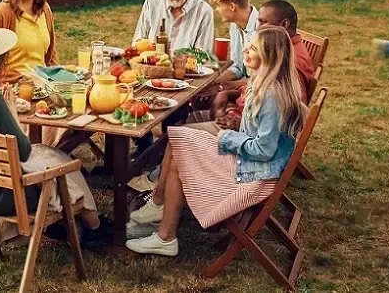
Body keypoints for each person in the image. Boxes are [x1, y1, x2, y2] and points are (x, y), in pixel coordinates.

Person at [125, 27, 307, 256]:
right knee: (179, 138)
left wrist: (228, 136)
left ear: (269, 57)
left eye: (253, 49)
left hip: (253, 172)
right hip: (248, 158)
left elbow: (263, 149)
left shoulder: (271, 96)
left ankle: (165, 235)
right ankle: (162, 218)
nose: (246, 51)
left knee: (181, 156)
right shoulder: (266, 84)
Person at [0, 19, 109, 247]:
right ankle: (94, 226)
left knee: (50, 155)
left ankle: (74, 225)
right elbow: (23, 152)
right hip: (5, 197)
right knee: (59, 161)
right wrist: (10, 112)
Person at [206, 0, 316, 122]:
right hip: (241, 109)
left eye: (263, 22)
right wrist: (226, 93)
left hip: (245, 126)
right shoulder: (280, 51)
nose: (257, 28)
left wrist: (235, 125)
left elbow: (290, 114)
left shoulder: (290, 62)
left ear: (284, 24)